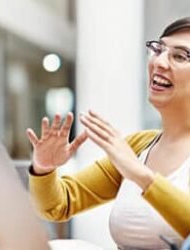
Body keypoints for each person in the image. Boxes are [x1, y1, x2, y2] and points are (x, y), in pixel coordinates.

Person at [26, 16, 190, 249]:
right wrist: (43, 168)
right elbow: (58, 205)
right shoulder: (139, 145)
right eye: (158, 49)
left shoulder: (132, 160)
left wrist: (141, 176)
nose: (160, 62)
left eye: (180, 56)